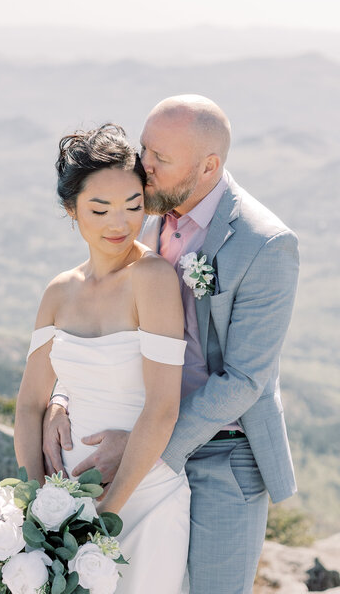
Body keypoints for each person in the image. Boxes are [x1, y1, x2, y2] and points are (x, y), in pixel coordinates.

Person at [43, 96, 300, 594]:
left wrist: (151, 449)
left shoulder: (265, 244)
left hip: (223, 456)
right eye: (144, 148)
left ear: (209, 166)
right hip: (138, 440)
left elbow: (246, 378)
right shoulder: (145, 213)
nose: (144, 166)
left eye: (161, 157)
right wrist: (63, 395)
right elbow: (101, 325)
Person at [14, 124, 191, 594]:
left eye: (134, 205)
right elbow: (30, 403)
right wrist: (40, 509)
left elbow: (162, 407)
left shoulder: (150, 278)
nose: (120, 223)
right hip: (65, 504)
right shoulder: (59, 290)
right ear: (72, 210)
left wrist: (105, 515)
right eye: (100, 209)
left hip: (142, 495)